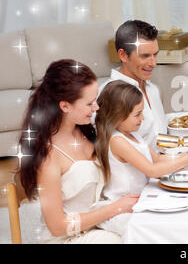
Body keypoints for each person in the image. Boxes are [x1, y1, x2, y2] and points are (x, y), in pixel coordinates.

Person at [17, 60, 137, 244]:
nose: (96, 108)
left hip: (100, 225)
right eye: (89, 103)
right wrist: (115, 208)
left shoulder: (86, 130)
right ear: (64, 106)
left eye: (95, 100)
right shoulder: (48, 157)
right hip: (67, 238)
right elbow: (57, 227)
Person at [94, 80, 188, 235]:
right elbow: (152, 170)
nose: (142, 118)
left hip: (140, 199)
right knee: (163, 229)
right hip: (121, 210)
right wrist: (187, 160)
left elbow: (158, 160)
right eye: (137, 114)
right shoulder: (117, 141)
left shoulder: (133, 136)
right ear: (118, 116)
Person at [97, 20, 166, 149]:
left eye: (155, 55)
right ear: (123, 55)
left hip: (167, 162)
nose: (153, 63)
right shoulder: (109, 94)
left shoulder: (153, 89)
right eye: (145, 56)